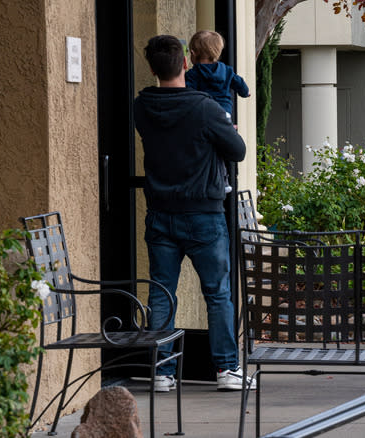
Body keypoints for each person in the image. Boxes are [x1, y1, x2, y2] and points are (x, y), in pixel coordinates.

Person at [134, 34, 251, 392]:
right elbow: (238, 151)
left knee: (161, 293)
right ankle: (227, 370)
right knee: (217, 294)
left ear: (152, 68)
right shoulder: (204, 108)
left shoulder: (142, 107)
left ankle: (162, 372)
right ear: (186, 63)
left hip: (160, 213)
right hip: (204, 214)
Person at [185, 30, 250, 194]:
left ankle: (209, 178)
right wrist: (245, 93)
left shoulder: (193, 73)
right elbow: (241, 86)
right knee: (223, 148)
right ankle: (225, 179)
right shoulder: (227, 71)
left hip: (205, 115)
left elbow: (188, 93)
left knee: (208, 147)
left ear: (193, 53)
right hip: (224, 115)